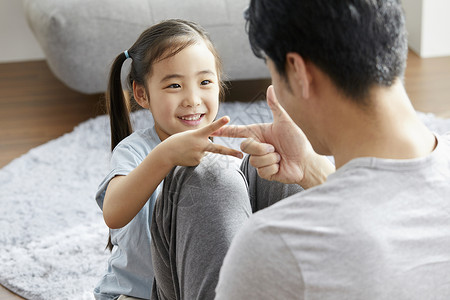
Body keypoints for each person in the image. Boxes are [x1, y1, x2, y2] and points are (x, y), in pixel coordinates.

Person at [150, 0, 450, 299]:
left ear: (297, 71)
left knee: (208, 177)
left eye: (273, 73)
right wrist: (311, 169)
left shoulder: (277, 245)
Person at [94, 19, 302, 300]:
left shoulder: (218, 150)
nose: (192, 99)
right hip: (140, 296)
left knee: (275, 165)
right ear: (142, 94)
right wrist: (164, 156)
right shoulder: (137, 150)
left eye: (205, 82)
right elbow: (113, 213)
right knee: (213, 174)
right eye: (174, 85)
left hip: (205, 280)